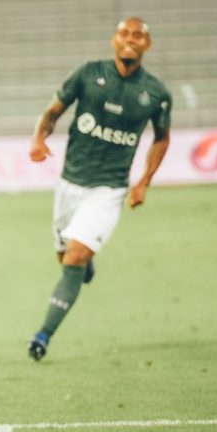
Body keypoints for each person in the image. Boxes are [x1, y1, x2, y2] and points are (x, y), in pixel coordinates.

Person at [26, 18, 172, 360]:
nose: (131, 39)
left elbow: (162, 139)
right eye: (125, 34)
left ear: (148, 45)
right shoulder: (88, 74)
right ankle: (84, 264)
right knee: (65, 257)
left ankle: (43, 335)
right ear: (113, 40)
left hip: (109, 190)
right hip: (69, 184)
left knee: (75, 255)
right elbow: (52, 112)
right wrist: (38, 138)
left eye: (139, 35)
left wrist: (144, 181)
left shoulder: (156, 93)